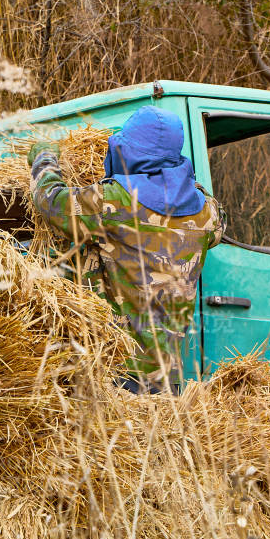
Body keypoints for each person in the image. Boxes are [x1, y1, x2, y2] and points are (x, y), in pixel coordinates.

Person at [28, 106, 223, 394]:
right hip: (167, 377)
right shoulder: (206, 212)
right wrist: (185, 180)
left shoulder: (116, 200)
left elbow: (51, 202)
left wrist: (44, 159)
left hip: (116, 371)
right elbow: (217, 221)